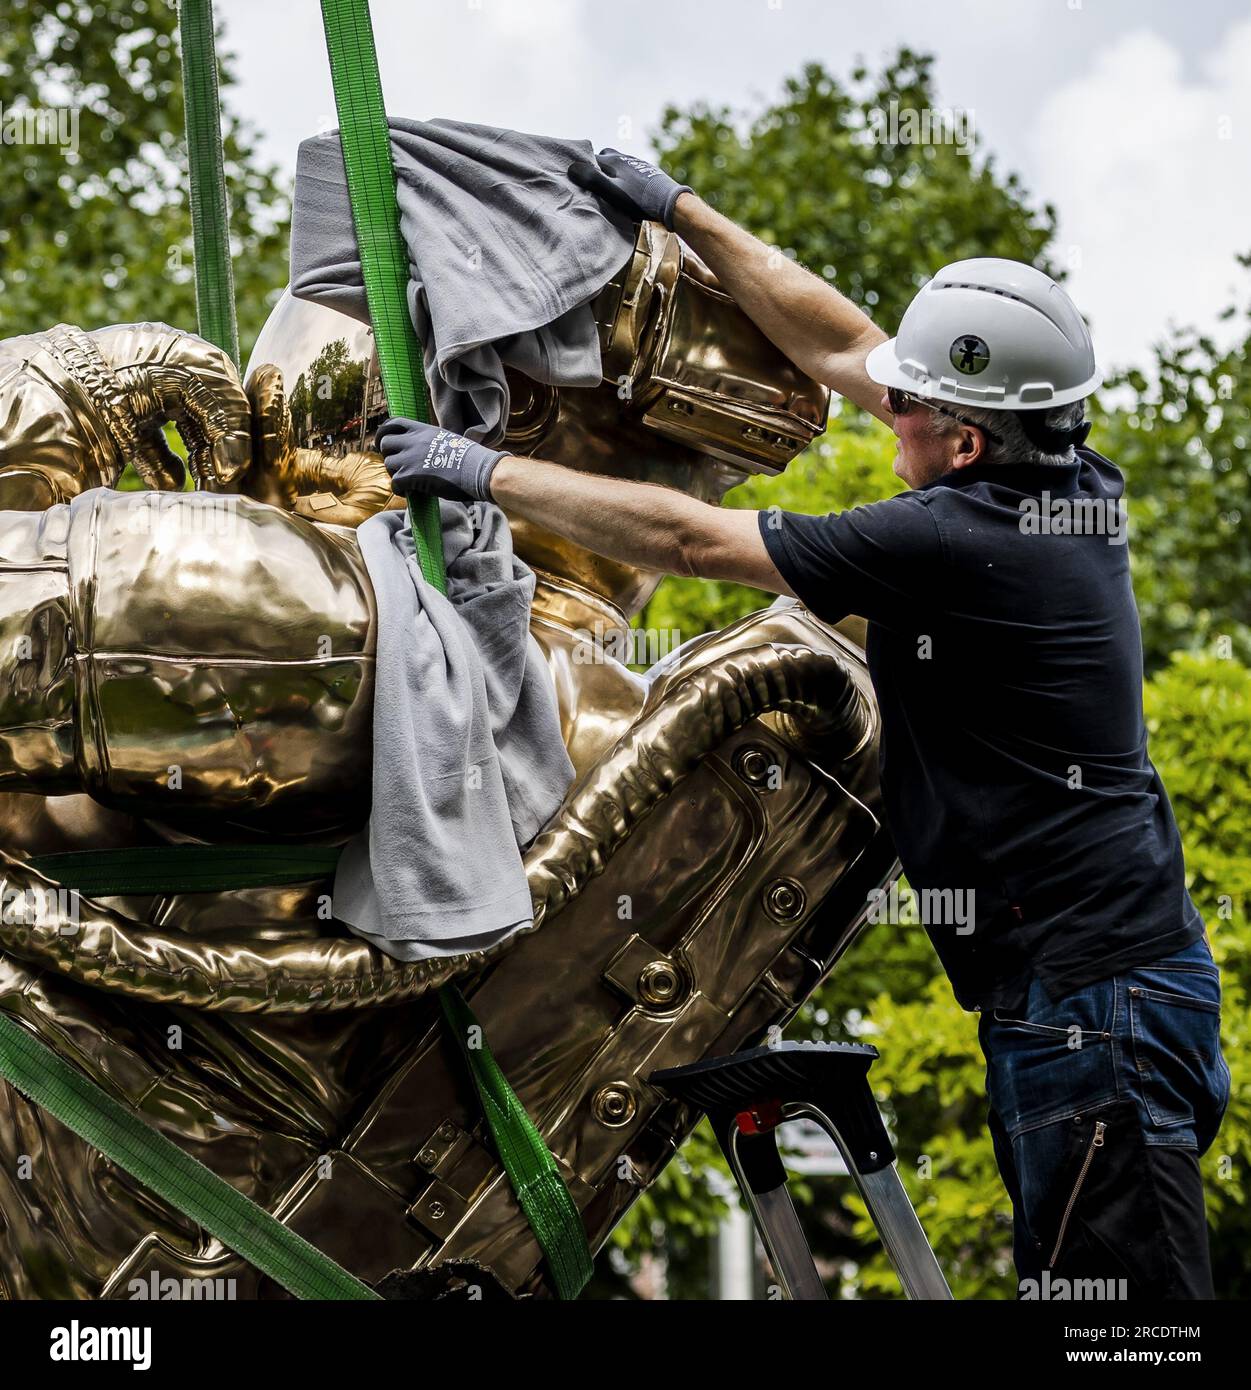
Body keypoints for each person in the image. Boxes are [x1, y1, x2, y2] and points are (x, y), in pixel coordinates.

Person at [375, 150, 1230, 1298]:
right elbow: (842, 346)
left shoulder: (949, 543)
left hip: (1094, 1011)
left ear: (965, 442)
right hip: (1114, 983)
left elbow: (691, 543)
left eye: (910, 411)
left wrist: (480, 470)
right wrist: (682, 209)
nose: (888, 416)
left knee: (1127, 1324)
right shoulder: (1066, 476)